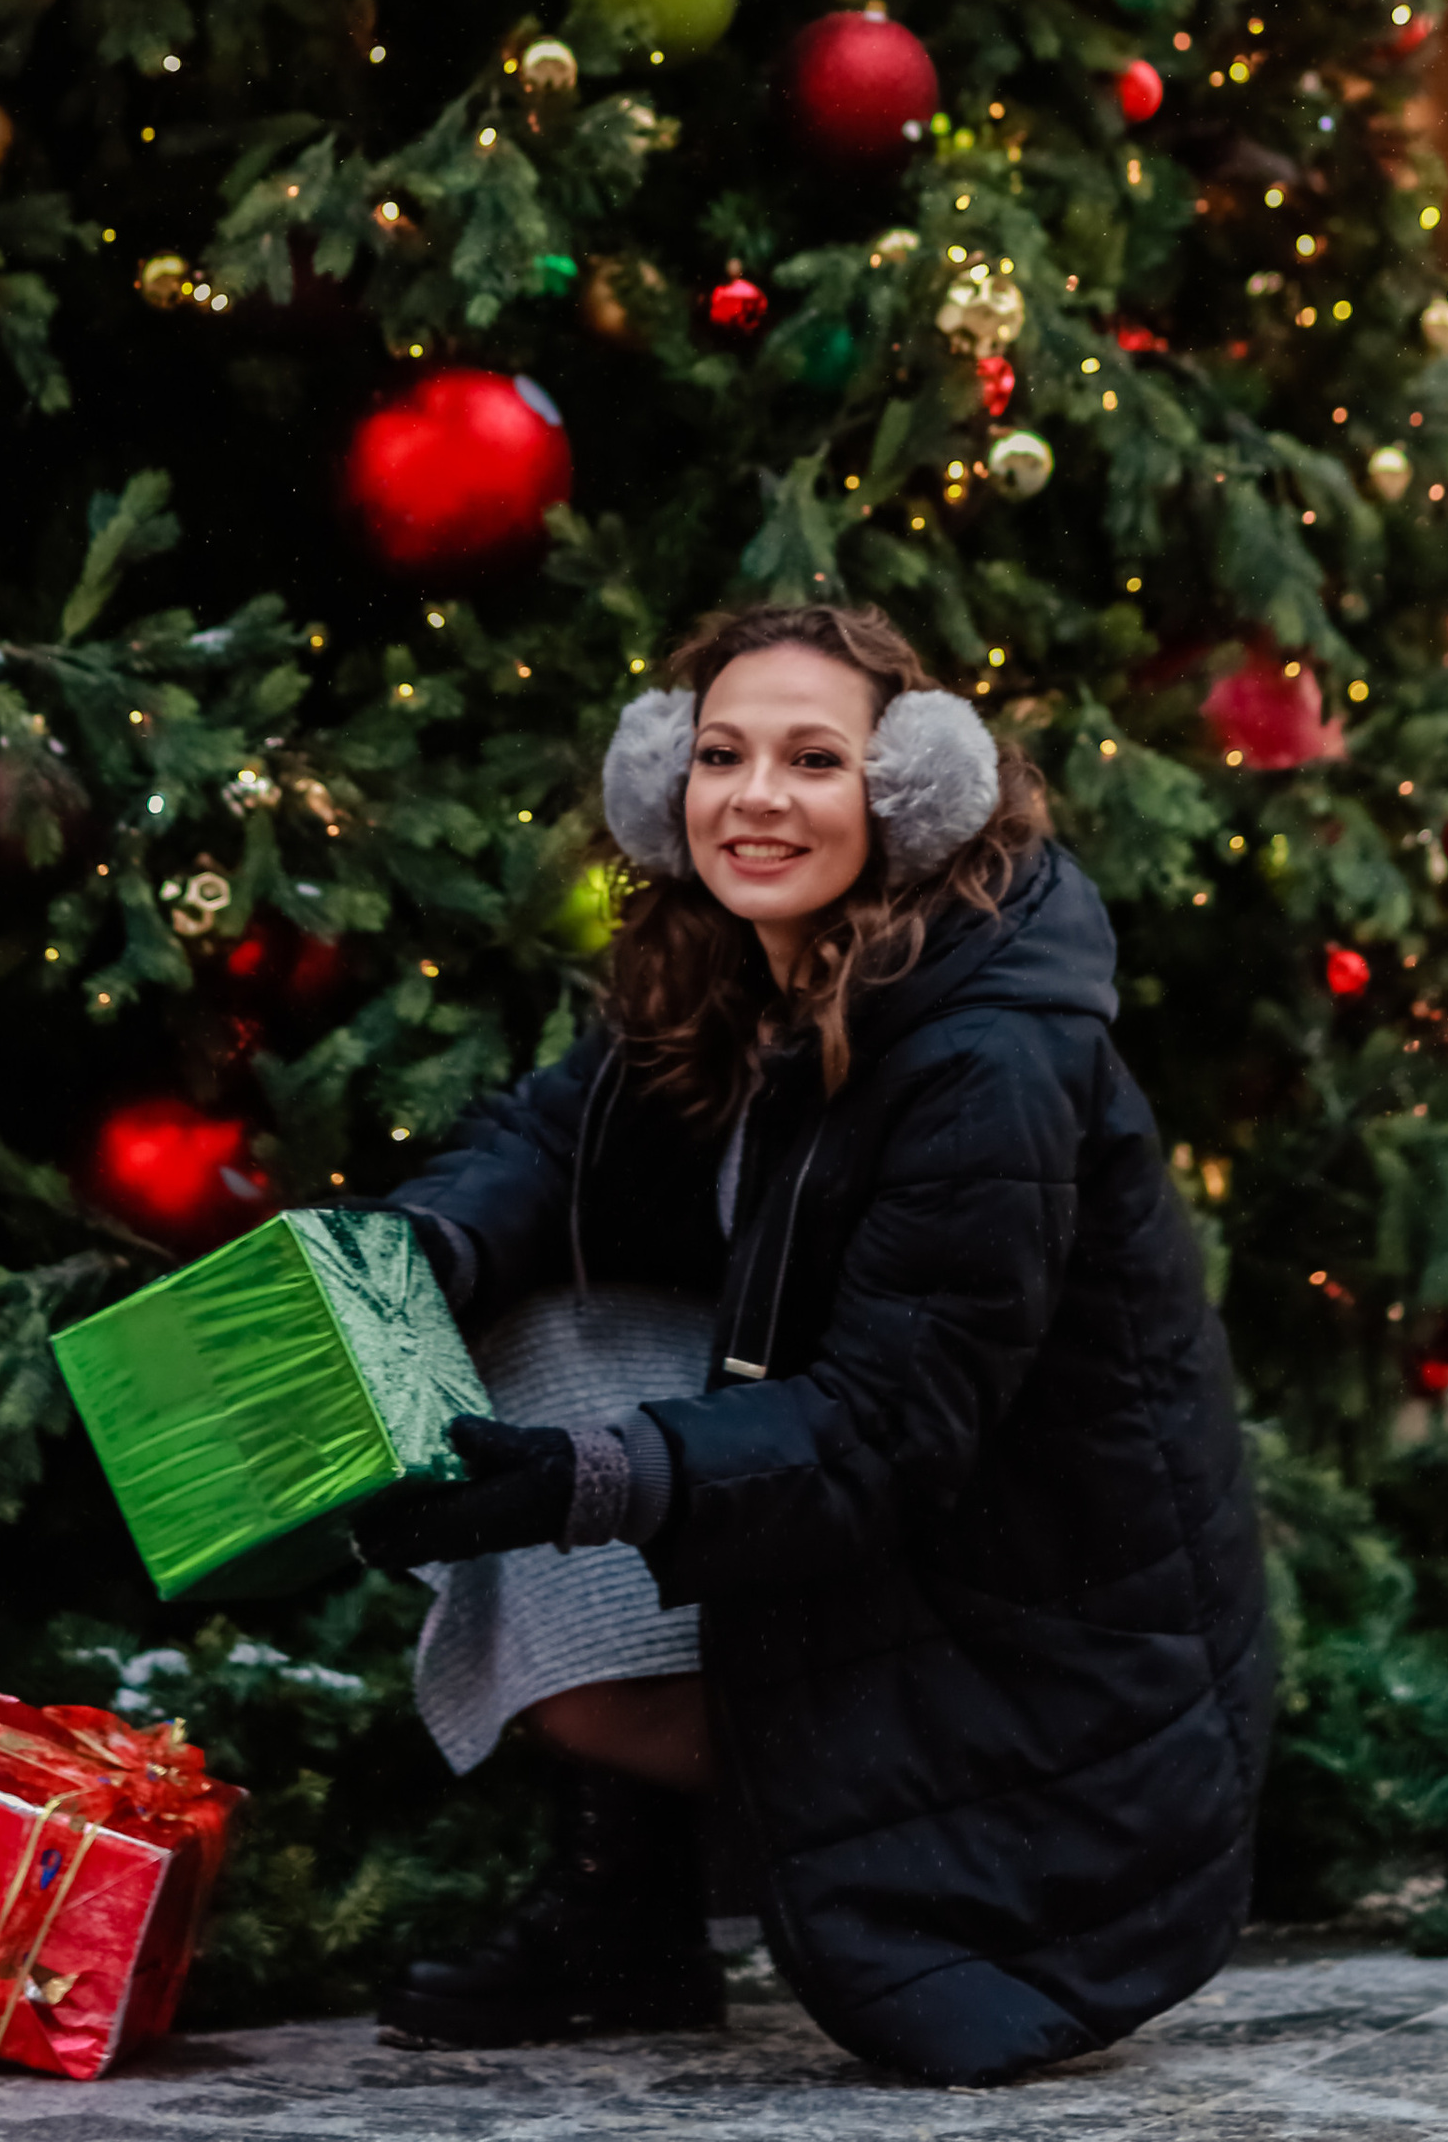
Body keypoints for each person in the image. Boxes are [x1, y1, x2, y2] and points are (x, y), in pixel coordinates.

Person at [358, 598, 1273, 2089]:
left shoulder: (989, 1055)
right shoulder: (753, 973)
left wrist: (583, 1484)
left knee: (587, 1519)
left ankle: (659, 1895)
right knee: (532, 1317)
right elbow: (553, 1144)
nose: (756, 799)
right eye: (720, 754)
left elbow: (884, 1429)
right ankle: (626, 1923)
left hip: (1037, 1639)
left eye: (812, 760)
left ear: (908, 793)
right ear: (667, 784)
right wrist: (430, 1252)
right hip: (907, 1535)